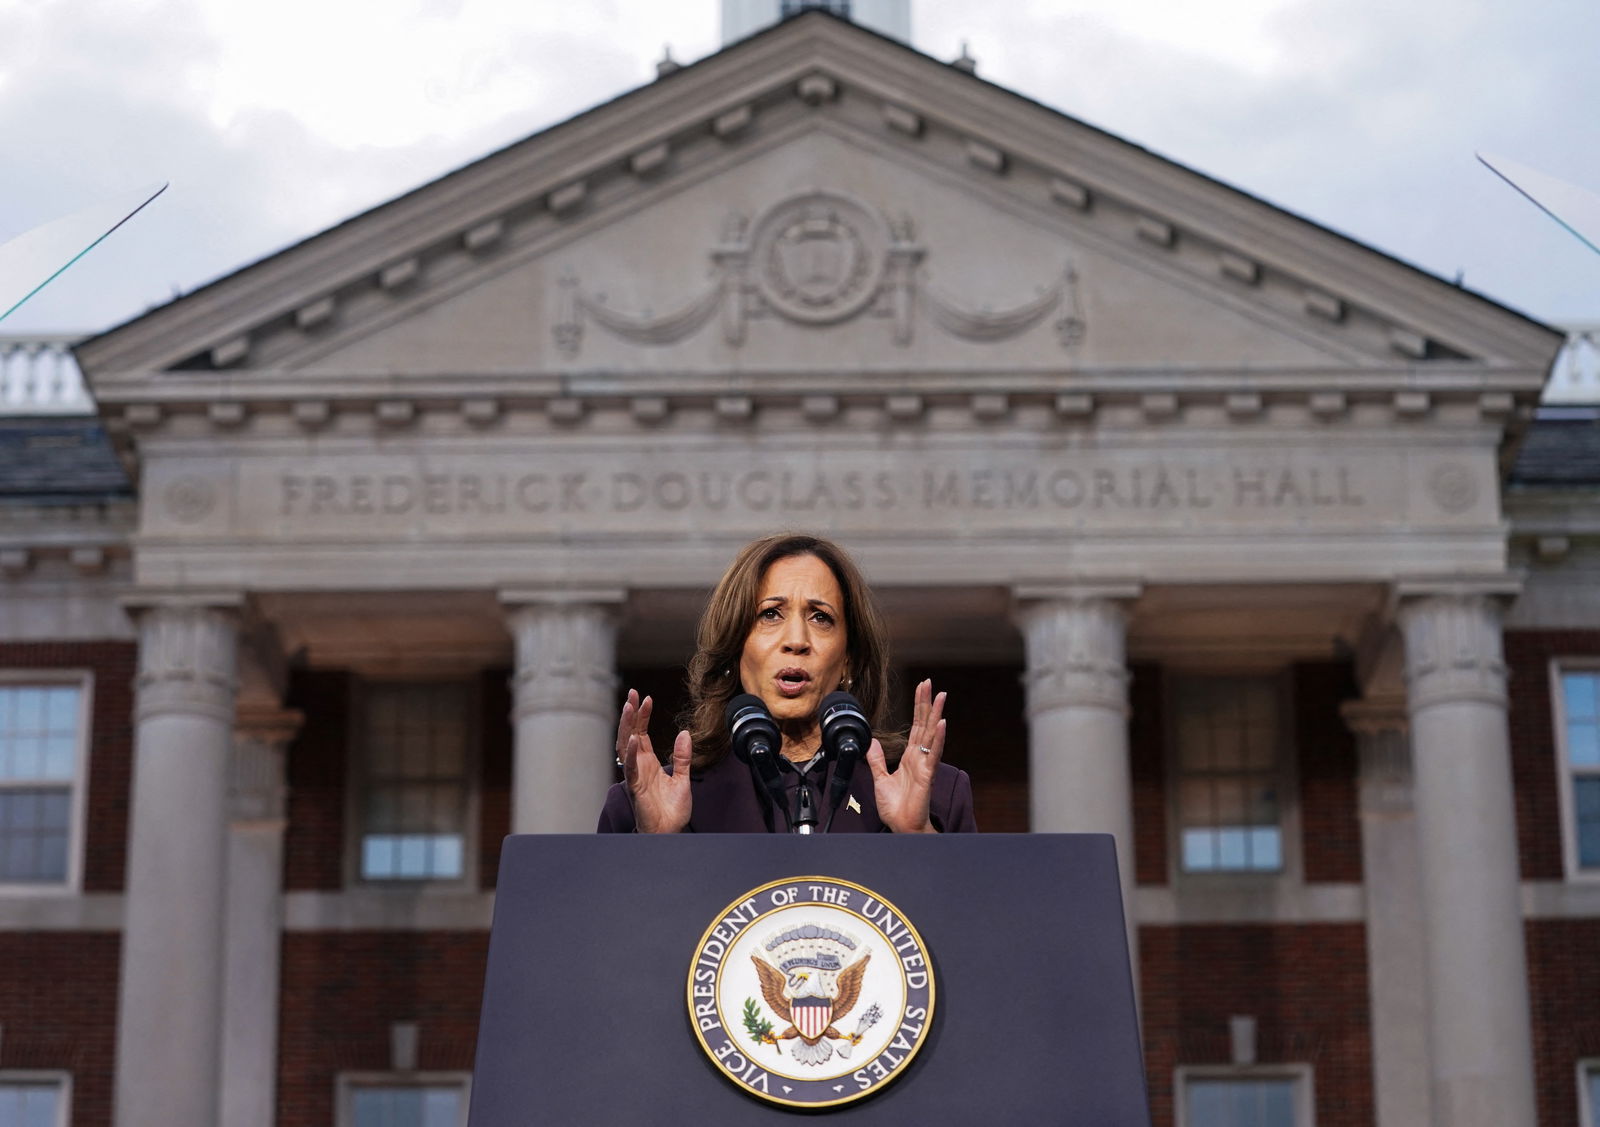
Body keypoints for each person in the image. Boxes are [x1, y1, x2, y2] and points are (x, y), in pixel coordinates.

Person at [597, 532, 976, 833]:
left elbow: (971, 908)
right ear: (735, 647)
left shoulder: (936, 796)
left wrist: (918, 837)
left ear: (848, 658)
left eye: (820, 617)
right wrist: (657, 845)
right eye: (771, 614)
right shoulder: (649, 803)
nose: (796, 640)